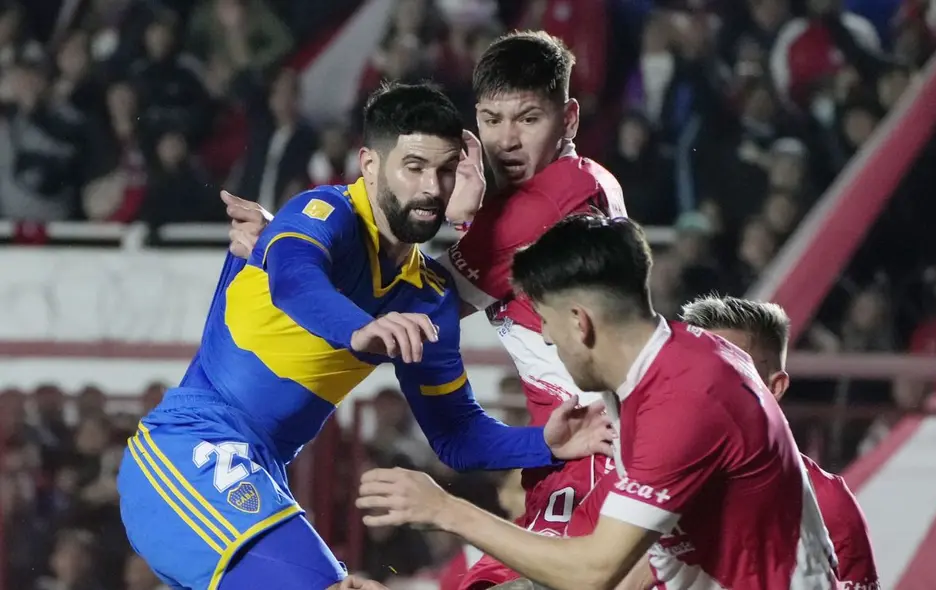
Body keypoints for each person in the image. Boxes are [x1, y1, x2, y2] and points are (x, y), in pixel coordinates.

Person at [116, 83, 611, 590]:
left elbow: (457, 435)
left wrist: (546, 444)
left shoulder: (427, 297)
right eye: (413, 167)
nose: (431, 188)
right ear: (370, 165)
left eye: (443, 171)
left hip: (259, 476)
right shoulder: (322, 213)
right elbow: (294, 281)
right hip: (192, 452)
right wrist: (361, 328)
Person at [355, 215, 838, 590]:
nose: (544, 337)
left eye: (545, 320)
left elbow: (595, 572)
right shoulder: (658, 372)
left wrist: (444, 510)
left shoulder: (686, 400)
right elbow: (635, 568)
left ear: (580, 321)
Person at [565, 296, 880, 589]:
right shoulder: (626, 488)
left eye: (729, 376)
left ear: (775, 388)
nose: (707, 392)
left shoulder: (830, 506)